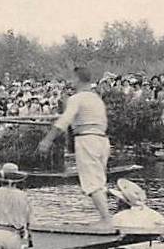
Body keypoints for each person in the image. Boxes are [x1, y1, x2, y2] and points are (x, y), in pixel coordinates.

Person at [37, 66, 112, 224]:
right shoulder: (96, 98)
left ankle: (106, 219)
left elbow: (64, 121)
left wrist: (47, 140)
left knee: (92, 182)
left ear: (77, 79)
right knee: (98, 180)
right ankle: (105, 217)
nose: (71, 82)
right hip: (102, 140)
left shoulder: (76, 99)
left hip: (87, 139)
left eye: (72, 78)